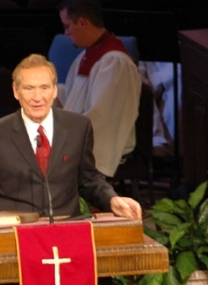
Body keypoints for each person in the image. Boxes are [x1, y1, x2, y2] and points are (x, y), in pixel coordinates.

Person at [0, 54, 141, 235]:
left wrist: (112, 199)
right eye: (29, 88)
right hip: (14, 235)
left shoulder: (78, 127)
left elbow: (89, 179)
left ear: (55, 90)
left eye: (44, 88)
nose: (37, 97)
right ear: (16, 91)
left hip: (66, 232)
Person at [56, 0, 141, 179]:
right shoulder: (85, 57)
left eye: (67, 26)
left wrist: (63, 134)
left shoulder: (115, 62)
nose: (66, 33)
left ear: (82, 23)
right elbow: (73, 98)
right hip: (78, 132)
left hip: (103, 141)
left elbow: (103, 116)